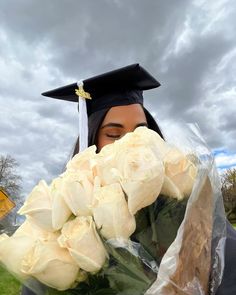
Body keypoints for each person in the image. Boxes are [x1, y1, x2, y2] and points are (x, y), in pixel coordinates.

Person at [22, 64, 236, 294]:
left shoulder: (188, 214)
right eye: (114, 135)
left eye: (141, 132)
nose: (131, 144)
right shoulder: (67, 220)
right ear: (90, 143)